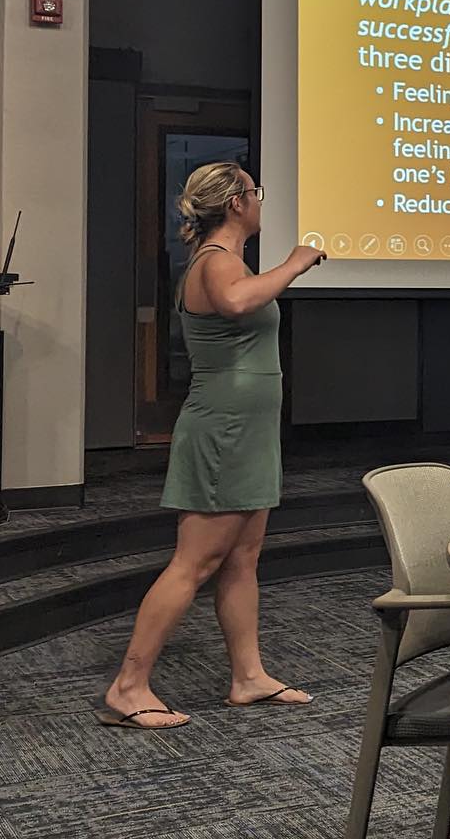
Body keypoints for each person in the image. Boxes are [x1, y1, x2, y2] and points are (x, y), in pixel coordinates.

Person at [101, 162, 325, 730]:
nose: (260, 202)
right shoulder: (216, 264)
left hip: (247, 434)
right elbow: (237, 303)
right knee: (194, 562)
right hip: (223, 431)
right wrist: (295, 263)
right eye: (256, 193)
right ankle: (128, 686)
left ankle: (248, 677)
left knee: (243, 559)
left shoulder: (228, 261)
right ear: (235, 203)